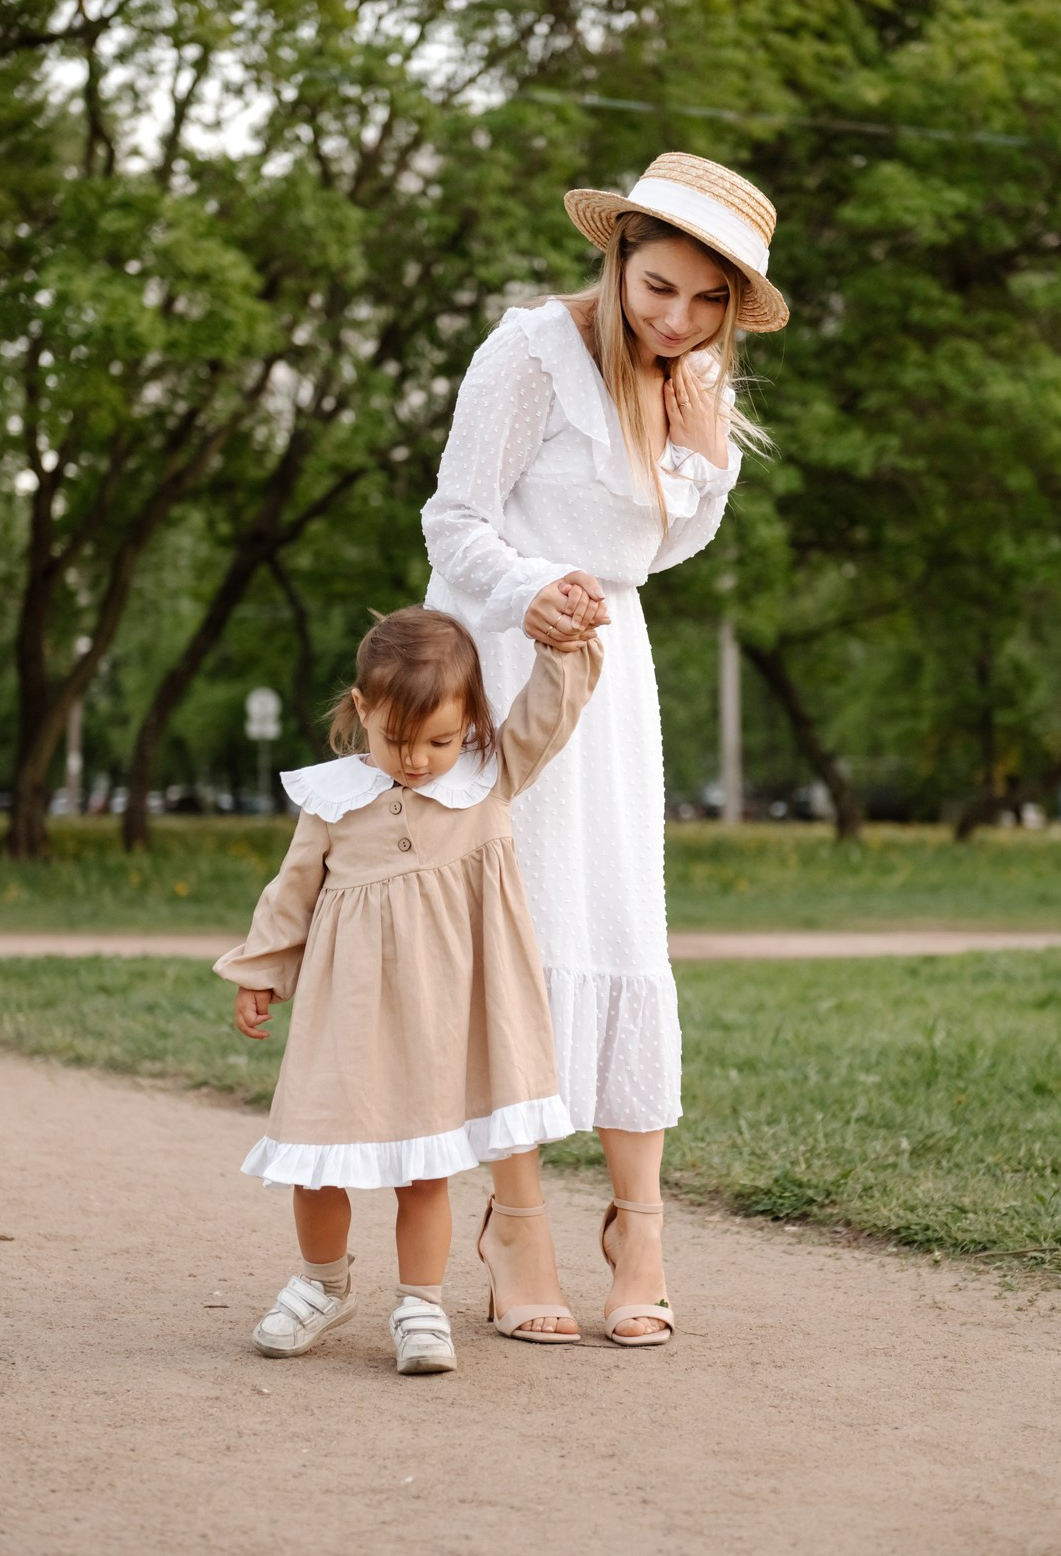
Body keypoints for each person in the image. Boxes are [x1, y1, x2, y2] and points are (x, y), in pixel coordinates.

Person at [422, 150, 788, 1346]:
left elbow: (661, 547)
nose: (677, 319)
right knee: (520, 935)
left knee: (624, 930)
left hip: (610, 668)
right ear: (618, 252)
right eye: (658, 287)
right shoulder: (528, 352)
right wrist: (531, 592)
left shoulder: (699, 376)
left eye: (706, 300)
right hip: (505, 657)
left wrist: (696, 446)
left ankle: (640, 1226)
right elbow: (455, 517)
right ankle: (515, 1224)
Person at [214, 605, 602, 1375]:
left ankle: (421, 1303)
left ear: (470, 724)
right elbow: (292, 891)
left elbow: (550, 715)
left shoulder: (487, 780)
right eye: (397, 739)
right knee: (317, 1157)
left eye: (442, 740)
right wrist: (262, 969)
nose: (419, 760)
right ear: (362, 710)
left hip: (440, 1017)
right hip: (345, 1013)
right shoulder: (334, 799)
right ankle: (322, 1283)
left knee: (425, 1167)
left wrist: (562, 647)